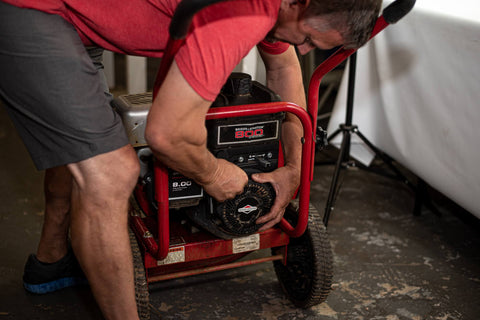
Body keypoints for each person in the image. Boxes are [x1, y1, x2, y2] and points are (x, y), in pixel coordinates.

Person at [0, 0, 381, 318]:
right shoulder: (244, 11)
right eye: (310, 38)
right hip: (31, 9)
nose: (303, 49)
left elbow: (283, 68)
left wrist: (294, 170)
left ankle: (51, 261)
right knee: (111, 172)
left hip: (83, 16)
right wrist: (217, 176)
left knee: (82, 142)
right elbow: (165, 136)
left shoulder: (283, 8)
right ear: (300, 2)